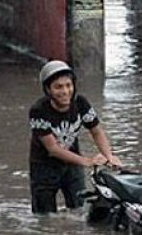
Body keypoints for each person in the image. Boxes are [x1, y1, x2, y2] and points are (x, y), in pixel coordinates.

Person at [28, 60, 122, 214]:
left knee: (80, 210)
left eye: (68, 85)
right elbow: (53, 149)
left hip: (72, 165)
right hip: (44, 168)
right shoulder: (38, 111)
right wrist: (88, 161)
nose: (65, 92)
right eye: (58, 87)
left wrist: (109, 156)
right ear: (48, 89)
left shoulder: (80, 103)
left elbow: (96, 131)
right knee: (44, 217)